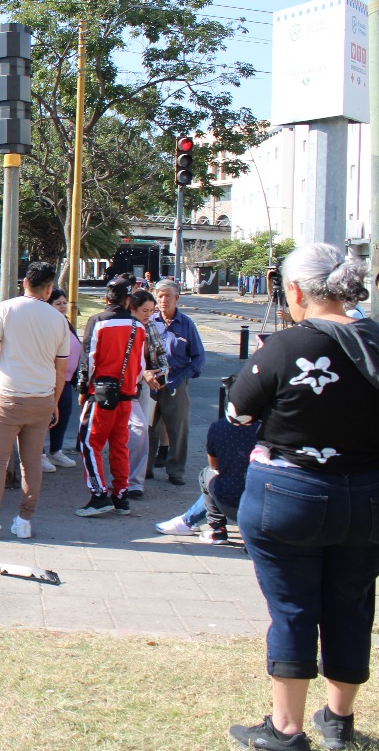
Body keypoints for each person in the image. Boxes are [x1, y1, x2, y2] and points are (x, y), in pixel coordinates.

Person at [226, 243, 379, 751]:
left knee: (293, 607)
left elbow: (237, 414)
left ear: (295, 291)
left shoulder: (286, 346)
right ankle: (339, 720)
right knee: (353, 603)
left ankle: (285, 728)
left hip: (291, 495)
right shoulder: (375, 341)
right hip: (369, 497)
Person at [0, 261, 70, 541]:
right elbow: (61, 369)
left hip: (7, 397)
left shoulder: (7, 308)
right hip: (42, 399)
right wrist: (54, 402)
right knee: (31, 462)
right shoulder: (59, 320)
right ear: (49, 288)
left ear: (24, 283)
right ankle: (24, 520)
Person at [156, 376, 258, 544]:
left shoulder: (219, 428)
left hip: (231, 502)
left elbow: (214, 466)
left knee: (208, 475)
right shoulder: (265, 428)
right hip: (260, 502)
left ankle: (215, 528)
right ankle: (189, 521)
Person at [74, 277, 145, 516]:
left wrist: (83, 389)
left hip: (101, 395)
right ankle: (121, 495)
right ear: (127, 300)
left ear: (106, 298)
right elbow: (141, 365)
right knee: (119, 444)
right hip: (127, 395)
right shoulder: (139, 326)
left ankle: (99, 494)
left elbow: (89, 359)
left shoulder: (98, 322)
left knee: (89, 443)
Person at [148, 279, 205, 485]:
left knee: (178, 429)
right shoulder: (150, 321)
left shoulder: (186, 324)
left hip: (176, 381)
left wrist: (181, 378)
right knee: (147, 428)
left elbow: (198, 358)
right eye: (160, 296)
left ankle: (176, 471)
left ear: (177, 298)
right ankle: (145, 469)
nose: (163, 300)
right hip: (151, 382)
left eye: (168, 296)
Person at [125, 290, 166, 499]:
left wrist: (157, 373)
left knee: (141, 432)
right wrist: (142, 372)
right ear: (132, 308)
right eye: (144, 311)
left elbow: (161, 357)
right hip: (124, 388)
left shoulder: (151, 326)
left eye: (151, 311)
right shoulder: (123, 325)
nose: (148, 315)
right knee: (128, 434)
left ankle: (135, 482)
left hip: (144, 389)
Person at [44, 289, 80, 469]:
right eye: (58, 303)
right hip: (49, 380)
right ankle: (39, 454)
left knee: (63, 414)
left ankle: (56, 451)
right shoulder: (46, 325)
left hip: (66, 380)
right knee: (45, 417)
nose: (63, 306)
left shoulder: (66, 323)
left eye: (65, 302)